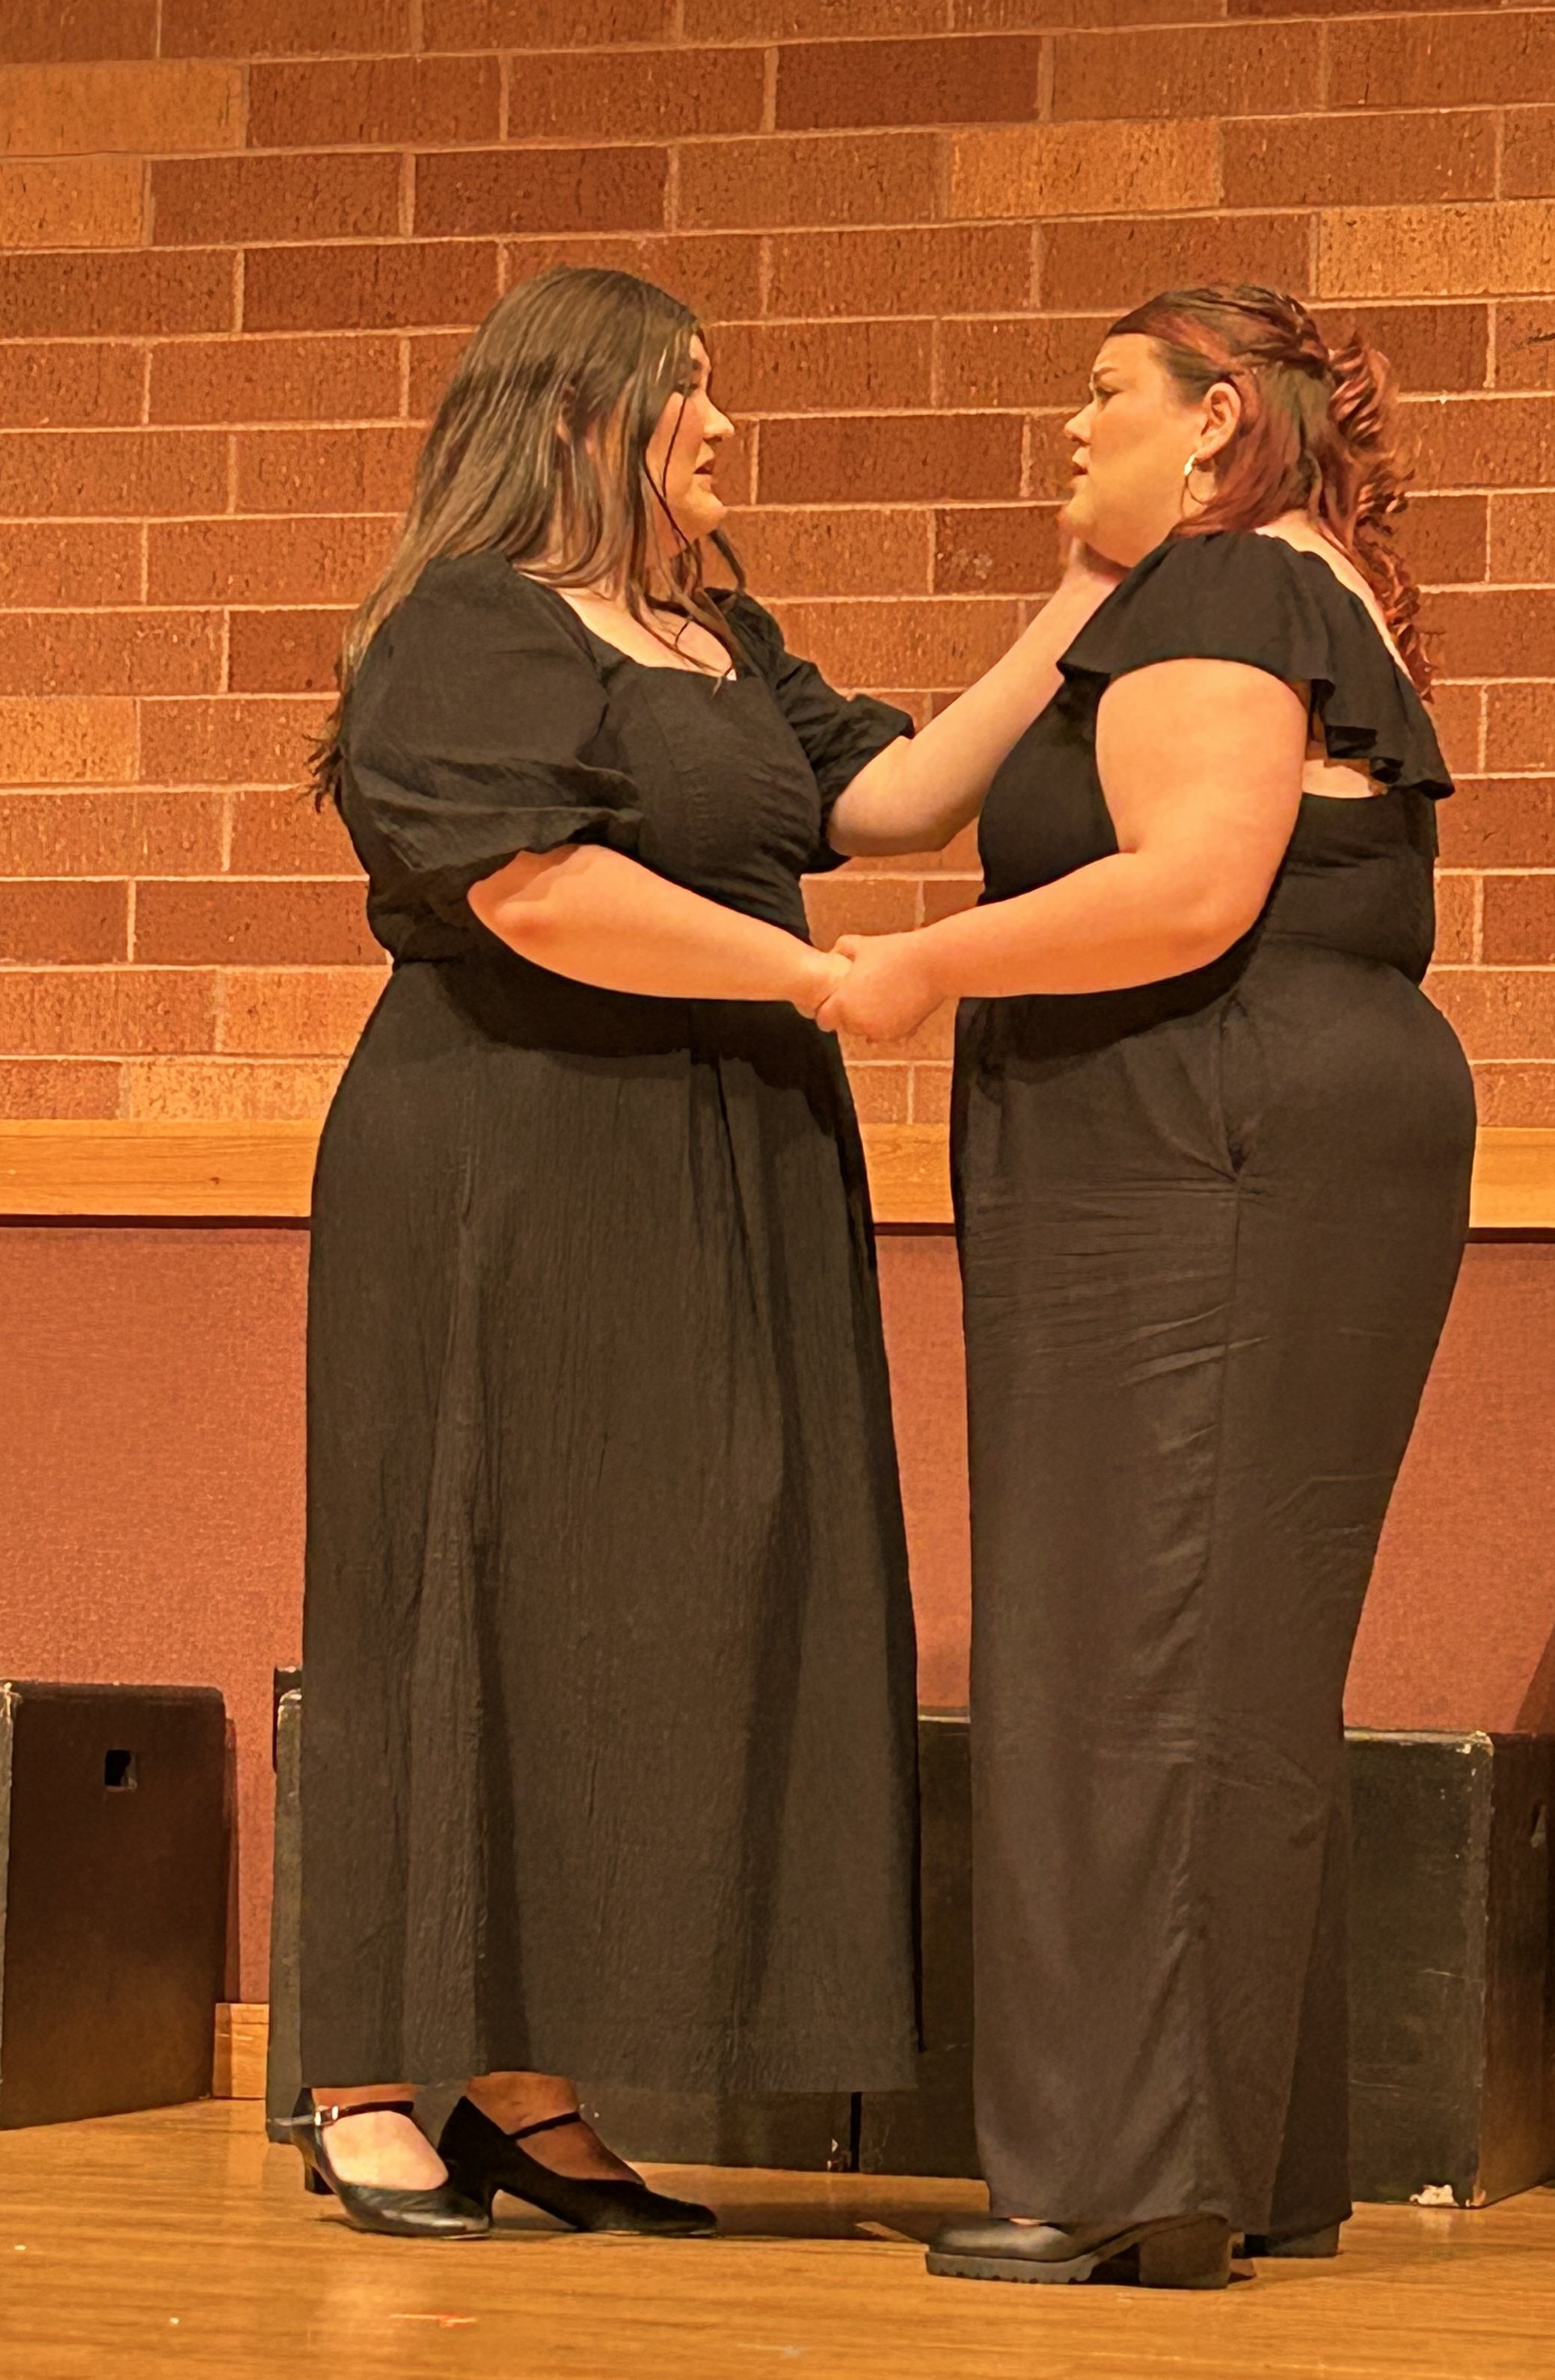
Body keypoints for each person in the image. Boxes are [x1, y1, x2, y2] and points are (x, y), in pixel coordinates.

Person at [291, 265, 1119, 2239]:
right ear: (578, 417)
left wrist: (1083, 599)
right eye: (691, 396)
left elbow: (885, 796)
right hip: (509, 1152)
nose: (723, 430)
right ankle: (367, 2074)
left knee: (650, 1604)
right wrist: (821, 984)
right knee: (459, 1579)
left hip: (718, 1154)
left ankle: (525, 2077)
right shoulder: (470, 628)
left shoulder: (711, 633)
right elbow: (537, 891)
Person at [820, 286, 1476, 2289]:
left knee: (1130, 1640)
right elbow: (890, 801)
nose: (1062, 427)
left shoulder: (1219, 599)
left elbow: (1190, 884)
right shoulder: (1251, 587)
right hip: (1253, 1129)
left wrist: (926, 969)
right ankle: (1217, 2155)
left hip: (1204, 1137)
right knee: (1210, 1648)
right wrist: (1074, 593)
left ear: (1211, 425)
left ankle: (1116, 2172)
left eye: (1099, 397)